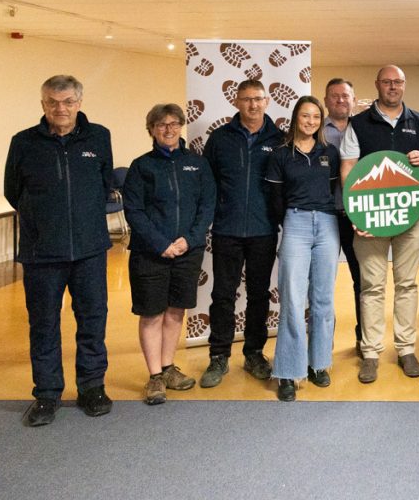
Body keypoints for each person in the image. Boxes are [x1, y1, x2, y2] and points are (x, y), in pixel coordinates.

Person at [4, 75, 114, 426]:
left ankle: (92, 387)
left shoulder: (99, 137)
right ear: (43, 105)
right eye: (52, 102)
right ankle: (47, 393)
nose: (60, 108)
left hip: (90, 249)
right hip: (42, 253)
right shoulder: (24, 142)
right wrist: (44, 220)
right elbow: (13, 191)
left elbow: (104, 184)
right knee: (44, 324)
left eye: (67, 101)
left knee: (92, 320)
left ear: (79, 103)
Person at [339, 65, 419, 383]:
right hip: (370, 217)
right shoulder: (358, 123)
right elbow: (348, 167)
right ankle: (370, 353)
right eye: (387, 82)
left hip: (410, 215)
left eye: (398, 82)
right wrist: (356, 213)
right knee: (372, 287)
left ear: (404, 85)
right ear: (377, 85)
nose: (393, 87)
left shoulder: (418, 120)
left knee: (407, 284)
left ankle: (406, 349)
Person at [123, 103, 216, 405]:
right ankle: (154, 377)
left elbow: (207, 205)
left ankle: (167, 367)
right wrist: (160, 244)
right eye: (161, 124)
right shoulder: (141, 166)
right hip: (150, 253)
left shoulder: (197, 164)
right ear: (151, 129)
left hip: (188, 251)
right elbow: (134, 210)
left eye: (174, 123)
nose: (169, 129)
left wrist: (189, 240)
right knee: (152, 313)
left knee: (176, 311)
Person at [200, 80, 283, 388]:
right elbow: (207, 182)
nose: (253, 104)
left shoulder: (279, 139)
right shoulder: (220, 138)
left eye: (258, 99)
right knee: (223, 294)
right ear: (236, 102)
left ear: (267, 101)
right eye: (247, 99)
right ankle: (218, 356)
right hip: (227, 229)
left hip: (264, 229)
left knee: (259, 294)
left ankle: (254, 353)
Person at [265, 96, 340, 401]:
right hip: (295, 222)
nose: (310, 121)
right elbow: (275, 198)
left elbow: (333, 188)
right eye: (305, 115)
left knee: (323, 299)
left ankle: (318, 364)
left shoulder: (329, 152)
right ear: (296, 117)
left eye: (316, 117)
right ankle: (287, 371)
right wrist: (288, 221)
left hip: (327, 224)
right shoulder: (281, 154)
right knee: (293, 300)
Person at [323, 78, 363, 358]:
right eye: (334, 96)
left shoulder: (362, 129)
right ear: (326, 100)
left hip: (355, 217)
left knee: (363, 280)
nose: (340, 100)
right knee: (323, 282)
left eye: (345, 96)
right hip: (325, 215)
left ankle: (364, 339)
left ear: (354, 99)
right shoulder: (315, 129)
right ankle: (324, 342)